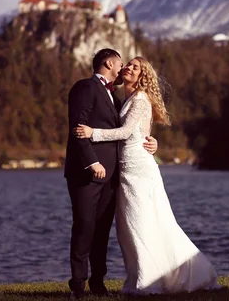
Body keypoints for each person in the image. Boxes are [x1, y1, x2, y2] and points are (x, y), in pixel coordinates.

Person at [74, 56, 220, 295]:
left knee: (142, 223)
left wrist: (93, 133)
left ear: (142, 75)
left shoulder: (140, 99)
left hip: (139, 170)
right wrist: (151, 141)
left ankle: (150, 281)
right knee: (129, 227)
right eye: (127, 64)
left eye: (134, 66)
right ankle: (141, 277)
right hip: (126, 171)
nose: (128, 68)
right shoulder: (127, 99)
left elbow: (126, 132)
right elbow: (140, 132)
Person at [64, 49, 158, 299]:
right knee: (84, 226)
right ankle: (78, 285)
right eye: (121, 63)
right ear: (108, 63)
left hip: (114, 175)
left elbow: (131, 129)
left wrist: (152, 141)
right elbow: (77, 127)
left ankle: (98, 282)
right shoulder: (85, 87)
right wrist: (91, 162)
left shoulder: (118, 99)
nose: (124, 68)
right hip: (86, 173)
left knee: (102, 230)